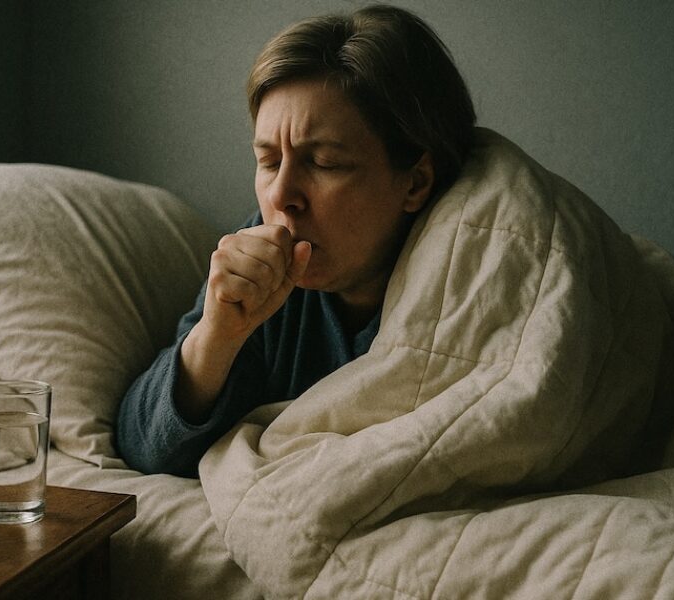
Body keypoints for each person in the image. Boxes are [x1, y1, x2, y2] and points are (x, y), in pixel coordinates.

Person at [116, 4, 476, 476]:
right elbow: (140, 446)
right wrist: (216, 337)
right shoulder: (261, 268)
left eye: (324, 163)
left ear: (414, 183)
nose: (282, 195)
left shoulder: (469, 270)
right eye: (268, 161)